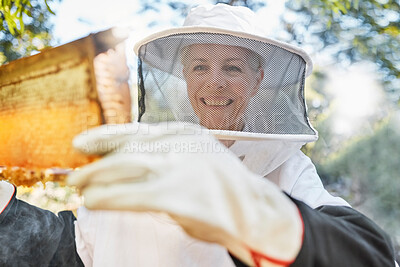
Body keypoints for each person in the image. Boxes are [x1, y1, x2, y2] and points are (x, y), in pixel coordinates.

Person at [0, 3, 397, 267]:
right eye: (200, 67)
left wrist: (251, 209)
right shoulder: (142, 151)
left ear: (258, 79)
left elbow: (368, 255)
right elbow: (78, 250)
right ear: (183, 76)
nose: (215, 84)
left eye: (233, 68)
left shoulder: (286, 168)